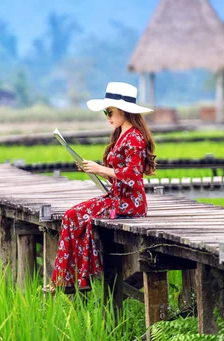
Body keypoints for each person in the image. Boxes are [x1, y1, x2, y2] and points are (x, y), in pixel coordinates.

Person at [44, 82, 157, 294]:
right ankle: (68, 280)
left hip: (129, 203)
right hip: (115, 197)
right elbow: (117, 171)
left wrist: (101, 169)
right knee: (71, 215)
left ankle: (71, 280)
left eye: (110, 111)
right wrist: (93, 169)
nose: (107, 116)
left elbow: (133, 175)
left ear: (123, 110)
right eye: (106, 112)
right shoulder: (121, 135)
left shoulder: (134, 138)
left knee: (72, 215)